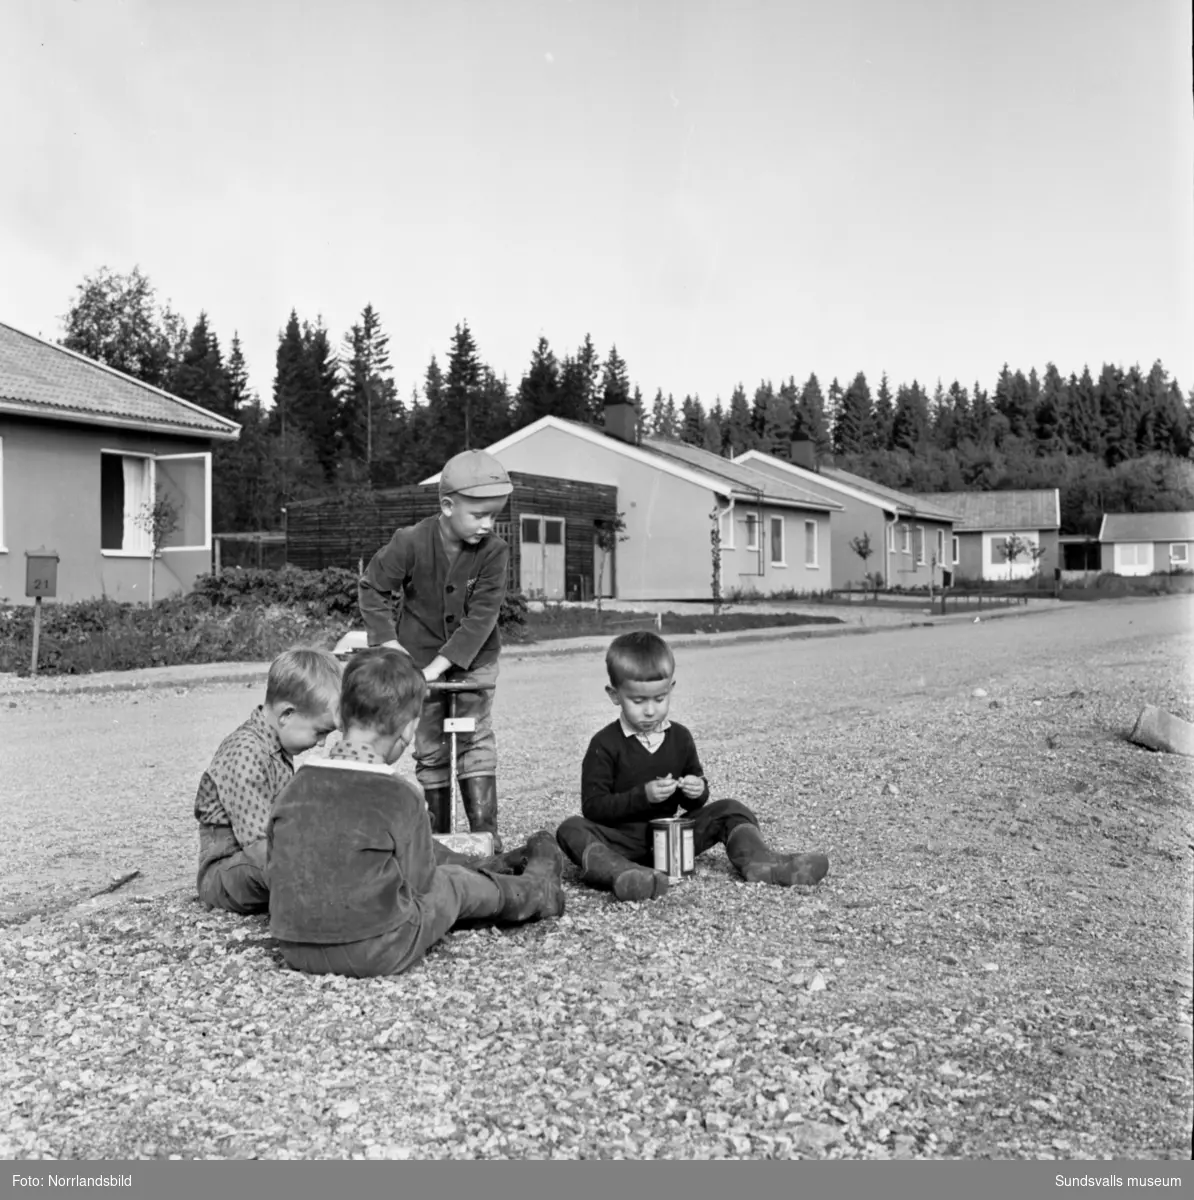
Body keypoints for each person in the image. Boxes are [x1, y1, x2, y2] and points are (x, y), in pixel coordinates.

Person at [267, 648, 565, 978]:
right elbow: (422, 883)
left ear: (339, 715)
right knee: (453, 884)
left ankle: (496, 873)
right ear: (408, 731)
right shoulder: (399, 793)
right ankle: (533, 894)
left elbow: (278, 864)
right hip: (377, 949)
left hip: (294, 949)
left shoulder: (295, 786)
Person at [556, 631, 830, 902]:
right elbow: (593, 807)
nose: (650, 711)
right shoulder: (604, 744)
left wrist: (696, 789)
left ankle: (762, 863)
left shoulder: (680, 737)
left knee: (731, 809)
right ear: (615, 695)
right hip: (620, 842)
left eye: (660, 699)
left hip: (673, 839)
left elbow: (698, 799)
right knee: (571, 828)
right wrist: (643, 796)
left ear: (671, 689)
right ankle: (622, 874)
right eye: (638, 701)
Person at [358, 449, 512, 850]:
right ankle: (438, 841)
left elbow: (482, 618)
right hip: (419, 663)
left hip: (472, 665)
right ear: (447, 505)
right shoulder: (409, 542)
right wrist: (392, 646)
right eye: (478, 515)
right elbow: (372, 588)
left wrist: (440, 666)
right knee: (430, 744)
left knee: (474, 738)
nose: (488, 525)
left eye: (495, 515)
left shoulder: (495, 553)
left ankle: (484, 836)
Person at [194, 647, 343, 914]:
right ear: (286, 715)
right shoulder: (245, 752)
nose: (321, 742)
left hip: (262, 860)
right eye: (320, 732)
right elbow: (259, 841)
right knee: (283, 858)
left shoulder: (277, 748)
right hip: (225, 872)